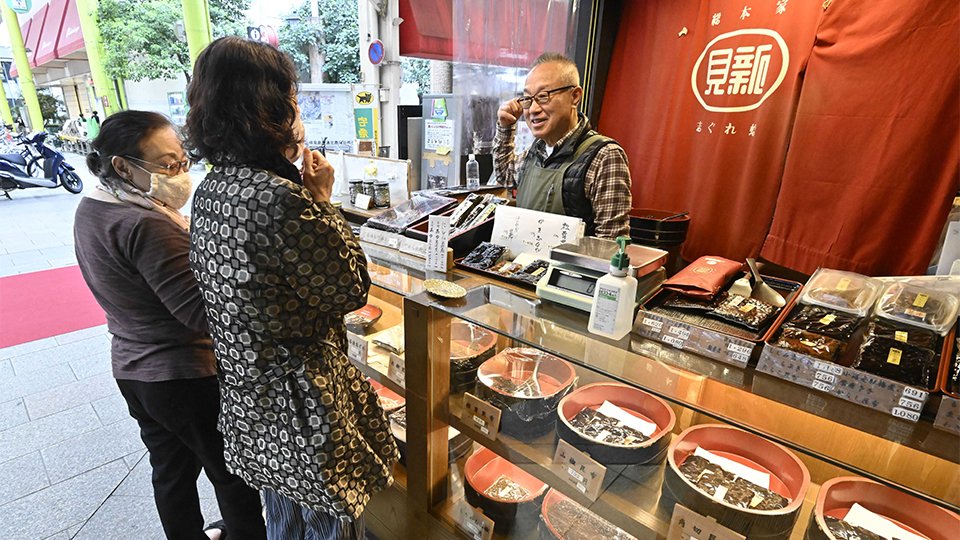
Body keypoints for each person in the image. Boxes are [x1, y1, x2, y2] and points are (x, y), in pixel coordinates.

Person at [184, 37, 398, 540]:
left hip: (248, 392)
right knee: (329, 524)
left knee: (283, 517)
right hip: (303, 406)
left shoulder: (214, 188)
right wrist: (321, 198)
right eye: (291, 97)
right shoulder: (280, 199)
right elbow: (349, 287)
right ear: (269, 106)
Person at [73, 110, 268, 540]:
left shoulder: (94, 206)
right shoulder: (145, 223)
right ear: (123, 166)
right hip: (182, 374)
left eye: (182, 162)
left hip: (133, 369)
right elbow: (200, 314)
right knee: (232, 474)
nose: (179, 174)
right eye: (167, 165)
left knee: (171, 472)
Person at [495, 52, 633, 239]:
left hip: (570, 269)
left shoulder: (605, 157)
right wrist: (505, 127)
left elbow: (610, 243)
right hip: (522, 265)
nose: (533, 109)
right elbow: (505, 176)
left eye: (544, 96)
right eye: (528, 99)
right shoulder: (537, 150)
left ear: (575, 96)